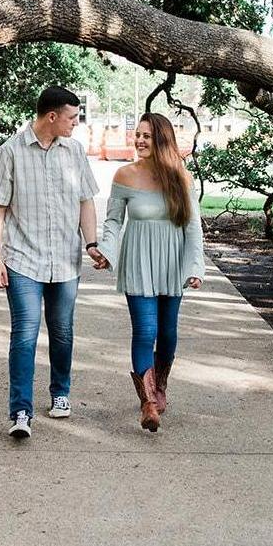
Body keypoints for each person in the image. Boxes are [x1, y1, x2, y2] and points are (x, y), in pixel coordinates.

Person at [0, 86, 107, 440]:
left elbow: (86, 201)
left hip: (66, 261)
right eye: (72, 117)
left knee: (62, 331)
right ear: (52, 117)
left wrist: (92, 244)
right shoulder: (11, 152)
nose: (76, 123)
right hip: (24, 261)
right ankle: (20, 410)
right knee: (24, 335)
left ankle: (60, 393)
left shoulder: (75, 151)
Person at [96, 112, 205, 432]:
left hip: (172, 261)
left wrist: (194, 266)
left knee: (168, 333)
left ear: (161, 140)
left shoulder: (181, 177)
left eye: (147, 135)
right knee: (145, 331)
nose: (140, 140)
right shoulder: (124, 175)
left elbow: (193, 227)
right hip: (138, 261)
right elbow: (114, 222)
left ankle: (160, 386)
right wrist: (106, 251)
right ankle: (147, 403)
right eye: (138, 135)